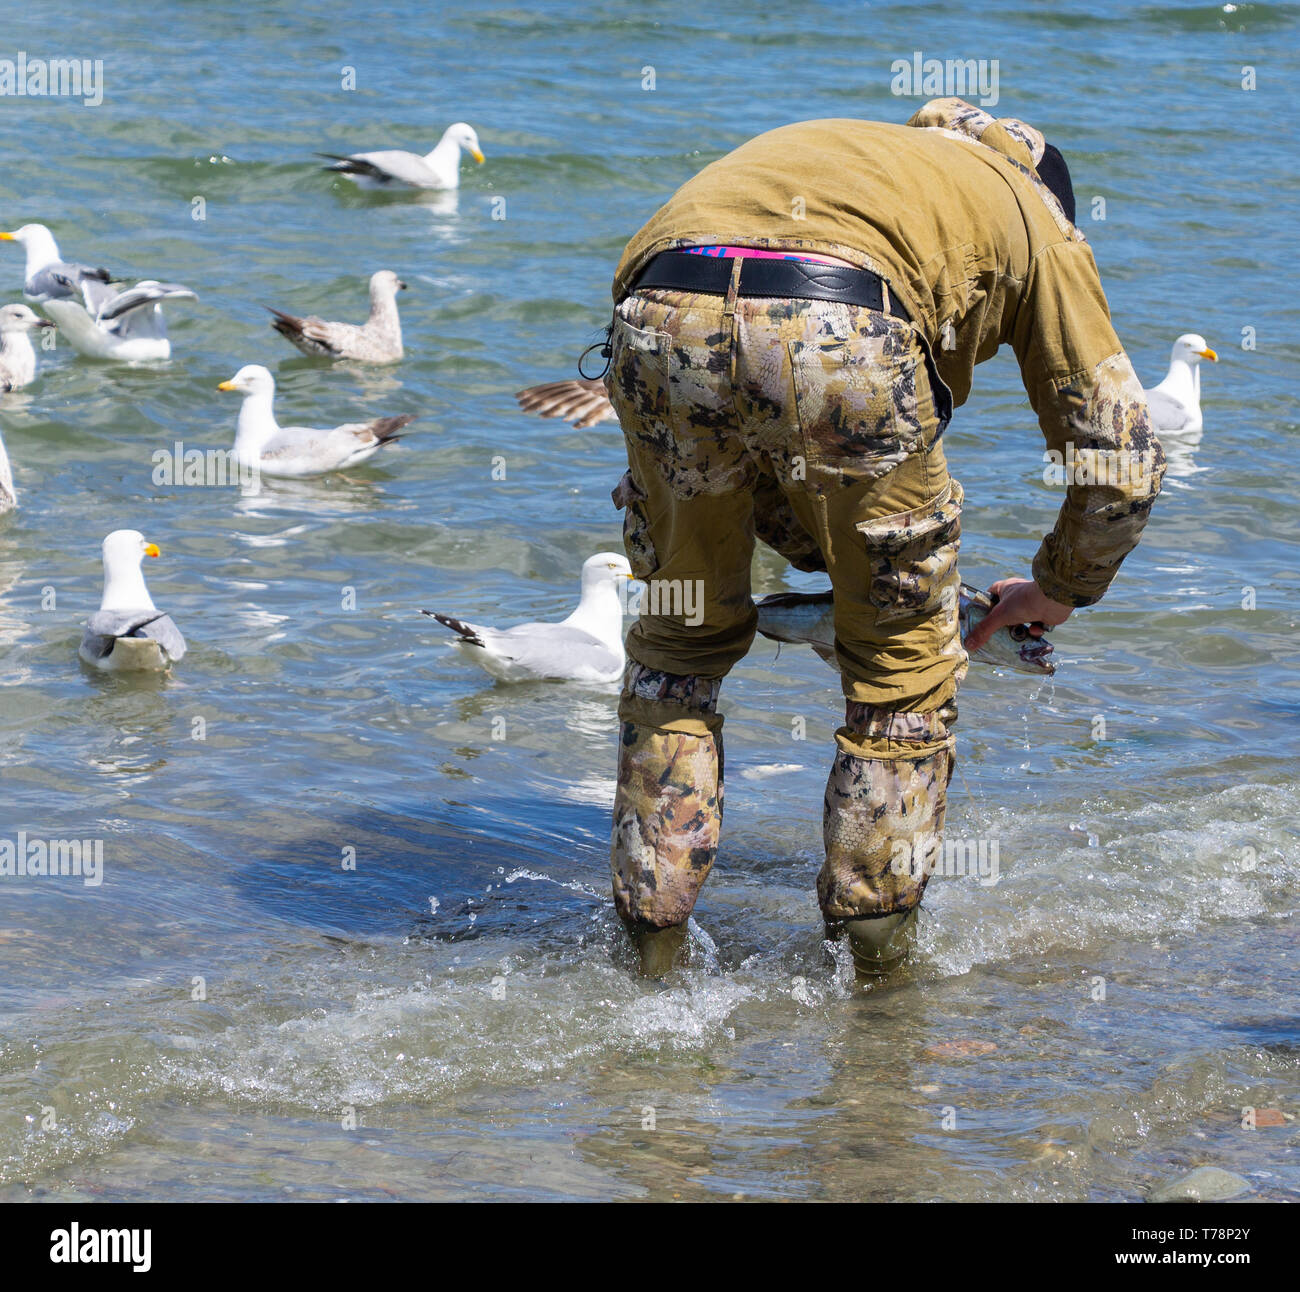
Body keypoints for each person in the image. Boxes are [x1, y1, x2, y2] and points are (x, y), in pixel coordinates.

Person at [603, 97, 1165, 976]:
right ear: (1047, 187)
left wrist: (832, 565)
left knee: (679, 642)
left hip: (656, 310)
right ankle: (873, 980)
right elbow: (1120, 453)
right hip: (845, 325)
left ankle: (648, 962)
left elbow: (747, 384)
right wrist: (1058, 586)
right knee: (901, 677)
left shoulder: (845, 156)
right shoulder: (1031, 213)